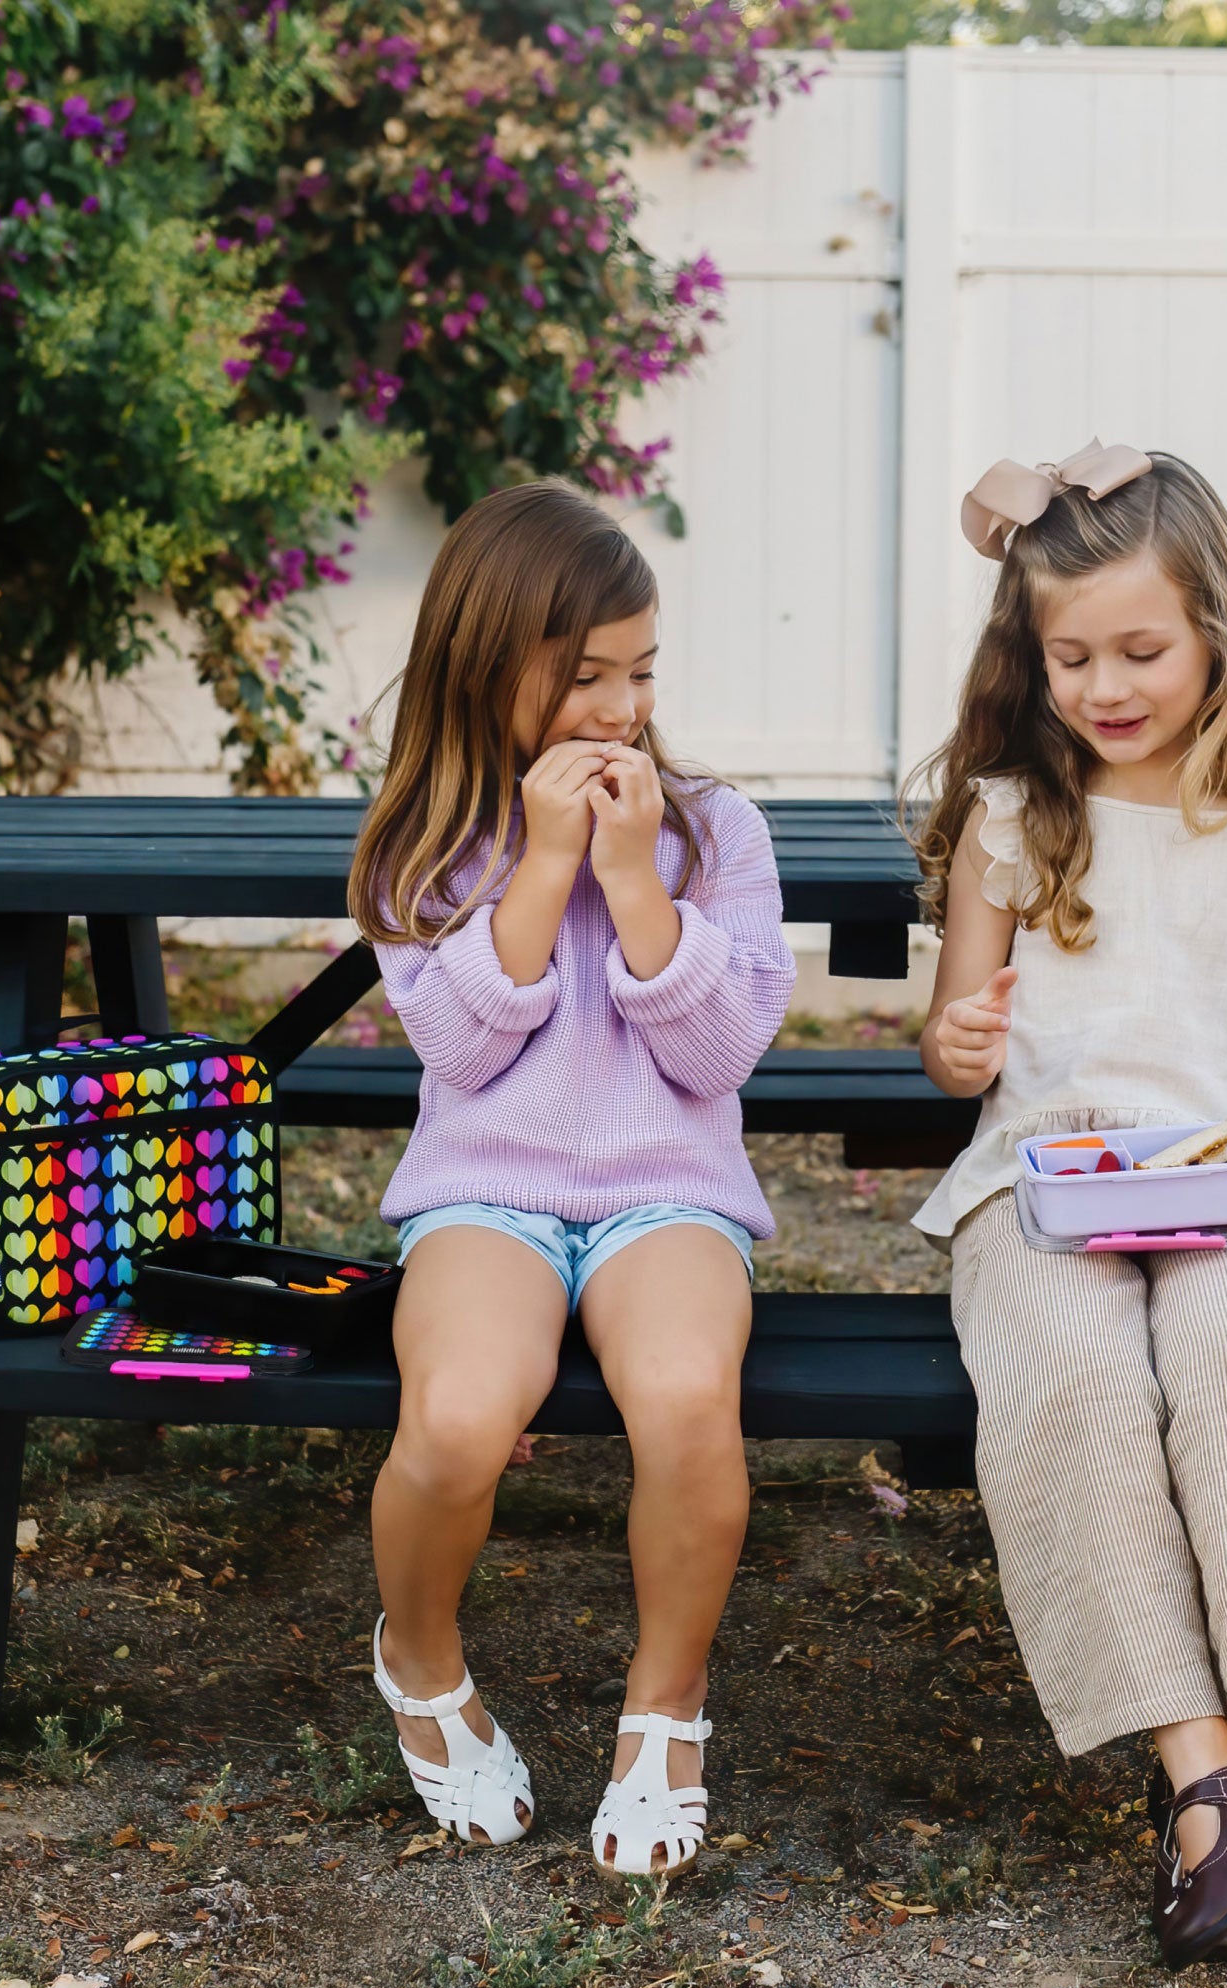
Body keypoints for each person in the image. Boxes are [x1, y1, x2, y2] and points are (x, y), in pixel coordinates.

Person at [909, 442, 1227, 1967]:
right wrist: (954, 1038)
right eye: (1070, 656)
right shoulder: (1012, 812)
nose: (1105, 685)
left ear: (1218, 633)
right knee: (1080, 1380)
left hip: (1226, 1174)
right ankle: (1204, 1772)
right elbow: (955, 1036)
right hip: (1042, 1181)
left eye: (1141, 650)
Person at [346, 480, 795, 1879]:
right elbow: (462, 1051)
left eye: (642, 672)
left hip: (670, 1191)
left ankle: (665, 1709)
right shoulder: (424, 837)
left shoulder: (715, 832)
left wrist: (637, 881)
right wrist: (544, 867)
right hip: (487, 1188)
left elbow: (723, 1053)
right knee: (464, 1416)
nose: (623, 708)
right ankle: (417, 1657)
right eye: (586, 675)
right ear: (490, 666)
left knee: (683, 1405)